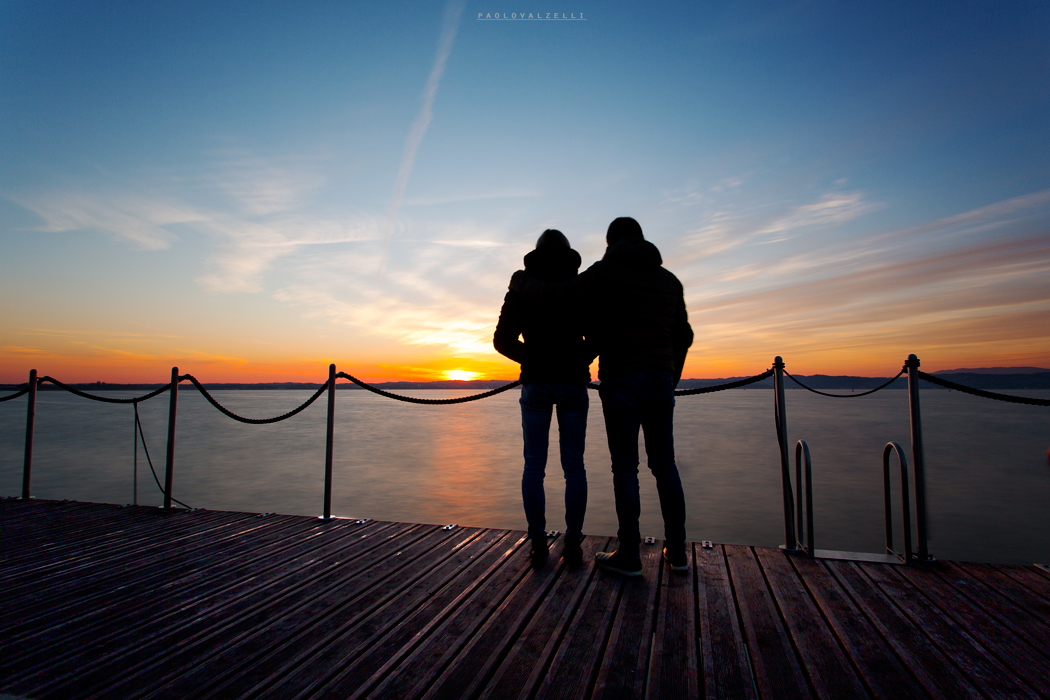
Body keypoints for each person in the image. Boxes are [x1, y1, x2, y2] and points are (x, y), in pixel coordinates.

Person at [511, 217, 693, 576]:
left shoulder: (605, 272)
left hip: (622, 379)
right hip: (659, 380)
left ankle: (630, 554)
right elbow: (683, 335)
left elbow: (559, 294)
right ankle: (678, 552)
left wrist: (519, 282)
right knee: (665, 466)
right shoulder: (670, 281)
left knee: (626, 468)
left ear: (611, 242)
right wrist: (672, 376)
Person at [494, 229, 594, 568]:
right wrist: (577, 359)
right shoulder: (581, 288)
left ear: (535, 256)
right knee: (574, 467)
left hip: (536, 384)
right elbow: (597, 337)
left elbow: (502, 340)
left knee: (534, 466)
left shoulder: (521, 289)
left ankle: (538, 543)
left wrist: (533, 359)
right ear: (569, 256)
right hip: (572, 384)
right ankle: (574, 543)